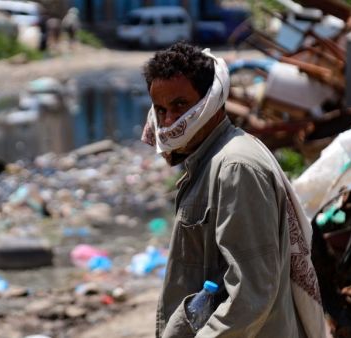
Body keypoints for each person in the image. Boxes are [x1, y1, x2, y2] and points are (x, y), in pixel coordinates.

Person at [141, 42, 330, 338]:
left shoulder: (234, 167)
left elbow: (251, 293)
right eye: (161, 109)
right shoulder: (210, 160)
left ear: (209, 101)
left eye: (180, 105)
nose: (168, 121)